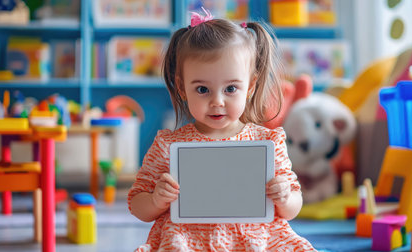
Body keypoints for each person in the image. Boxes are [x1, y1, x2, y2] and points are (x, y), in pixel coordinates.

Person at [128, 8, 316, 251]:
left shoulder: (267, 141)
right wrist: (156, 200)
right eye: (203, 90)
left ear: (250, 86)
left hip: (257, 238)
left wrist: (285, 197)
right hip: (188, 239)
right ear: (182, 88)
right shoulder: (169, 145)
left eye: (230, 89)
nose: (217, 101)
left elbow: (293, 206)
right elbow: (137, 204)